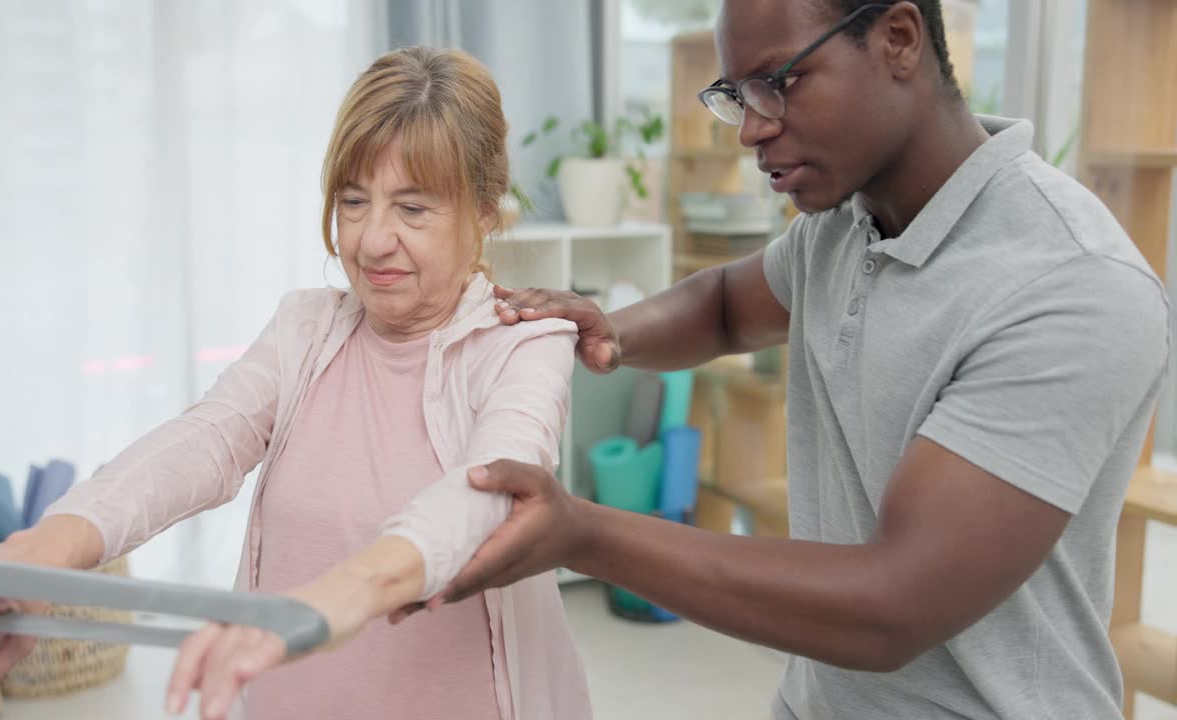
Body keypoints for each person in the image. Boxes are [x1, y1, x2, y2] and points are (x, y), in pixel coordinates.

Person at [413, 2, 1171, 719]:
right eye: (735, 95)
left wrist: (584, 534)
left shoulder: (1073, 286)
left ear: (899, 40)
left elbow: (891, 607)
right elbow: (724, 305)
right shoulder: (845, 224)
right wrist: (610, 329)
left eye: (776, 85)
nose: (748, 130)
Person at [0, 46, 593, 720]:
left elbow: (491, 495)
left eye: (412, 209)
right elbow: (202, 441)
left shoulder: (525, 343)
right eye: (354, 201)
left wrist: (330, 601)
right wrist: (31, 560)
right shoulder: (305, 328)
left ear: (483, 210)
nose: (373, 240)